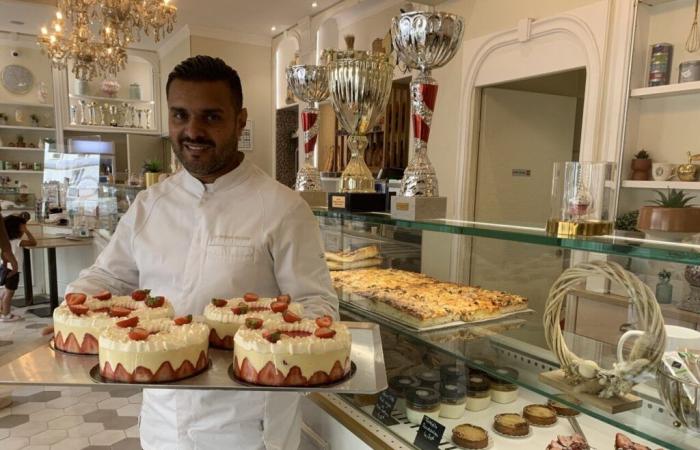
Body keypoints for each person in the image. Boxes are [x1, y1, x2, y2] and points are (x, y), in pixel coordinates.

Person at [66, 55, 338, 450]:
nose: (192, 130)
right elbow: (107, 278)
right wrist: (73, 313)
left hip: (247, 424)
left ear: (240, 121)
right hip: (162, 420)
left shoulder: (283, 208)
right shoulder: (149, 205)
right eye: (179, 115)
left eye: (211, 117)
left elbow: (318, 304)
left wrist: (268, 335)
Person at [0, 213, 36, 322]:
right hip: (13, 271)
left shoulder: (4, 241)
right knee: (9, 293)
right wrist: (26, 231)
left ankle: (3, 311)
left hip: (4, 268)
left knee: (6, 291)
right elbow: (33, 243)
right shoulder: (16, 242)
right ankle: (6, 315)